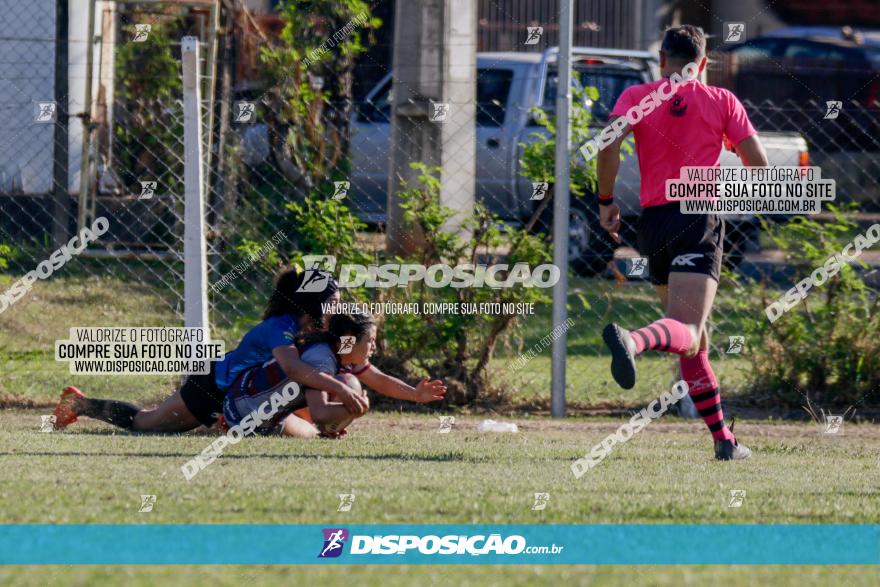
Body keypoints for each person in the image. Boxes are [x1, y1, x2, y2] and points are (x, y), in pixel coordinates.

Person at [595, 25, 768, 460]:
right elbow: (759, 167)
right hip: (697, 217)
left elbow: (606, 146)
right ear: (704, 62)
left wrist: (606, 202)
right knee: (687, 330)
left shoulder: (636, 96)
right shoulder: (721, 100)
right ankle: (633, 342)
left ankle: (723, 441)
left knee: (695, 342)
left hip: (652, 223)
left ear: (661, 58)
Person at [52, 268, 367, 432]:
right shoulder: (281, 326)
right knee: (144, 424)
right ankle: (79, 405)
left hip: (229, 393)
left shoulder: (306, 331)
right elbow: (294, 371)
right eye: (333, 303)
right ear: (313, 302)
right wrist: (341, 389)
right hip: (210, 387)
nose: (336, 310)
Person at [223, 311, 448, 438]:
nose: (374, 348)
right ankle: (228, 424)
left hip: (254, 403)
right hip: (246, 413)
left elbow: (379, 379)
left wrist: (415, 395)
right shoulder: (323, 358)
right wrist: (356, 409)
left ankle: (321, 430)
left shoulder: (341, 352)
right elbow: (320, 412)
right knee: (315, 431)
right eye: (370, 341)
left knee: (348, 385)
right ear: (349, 338)